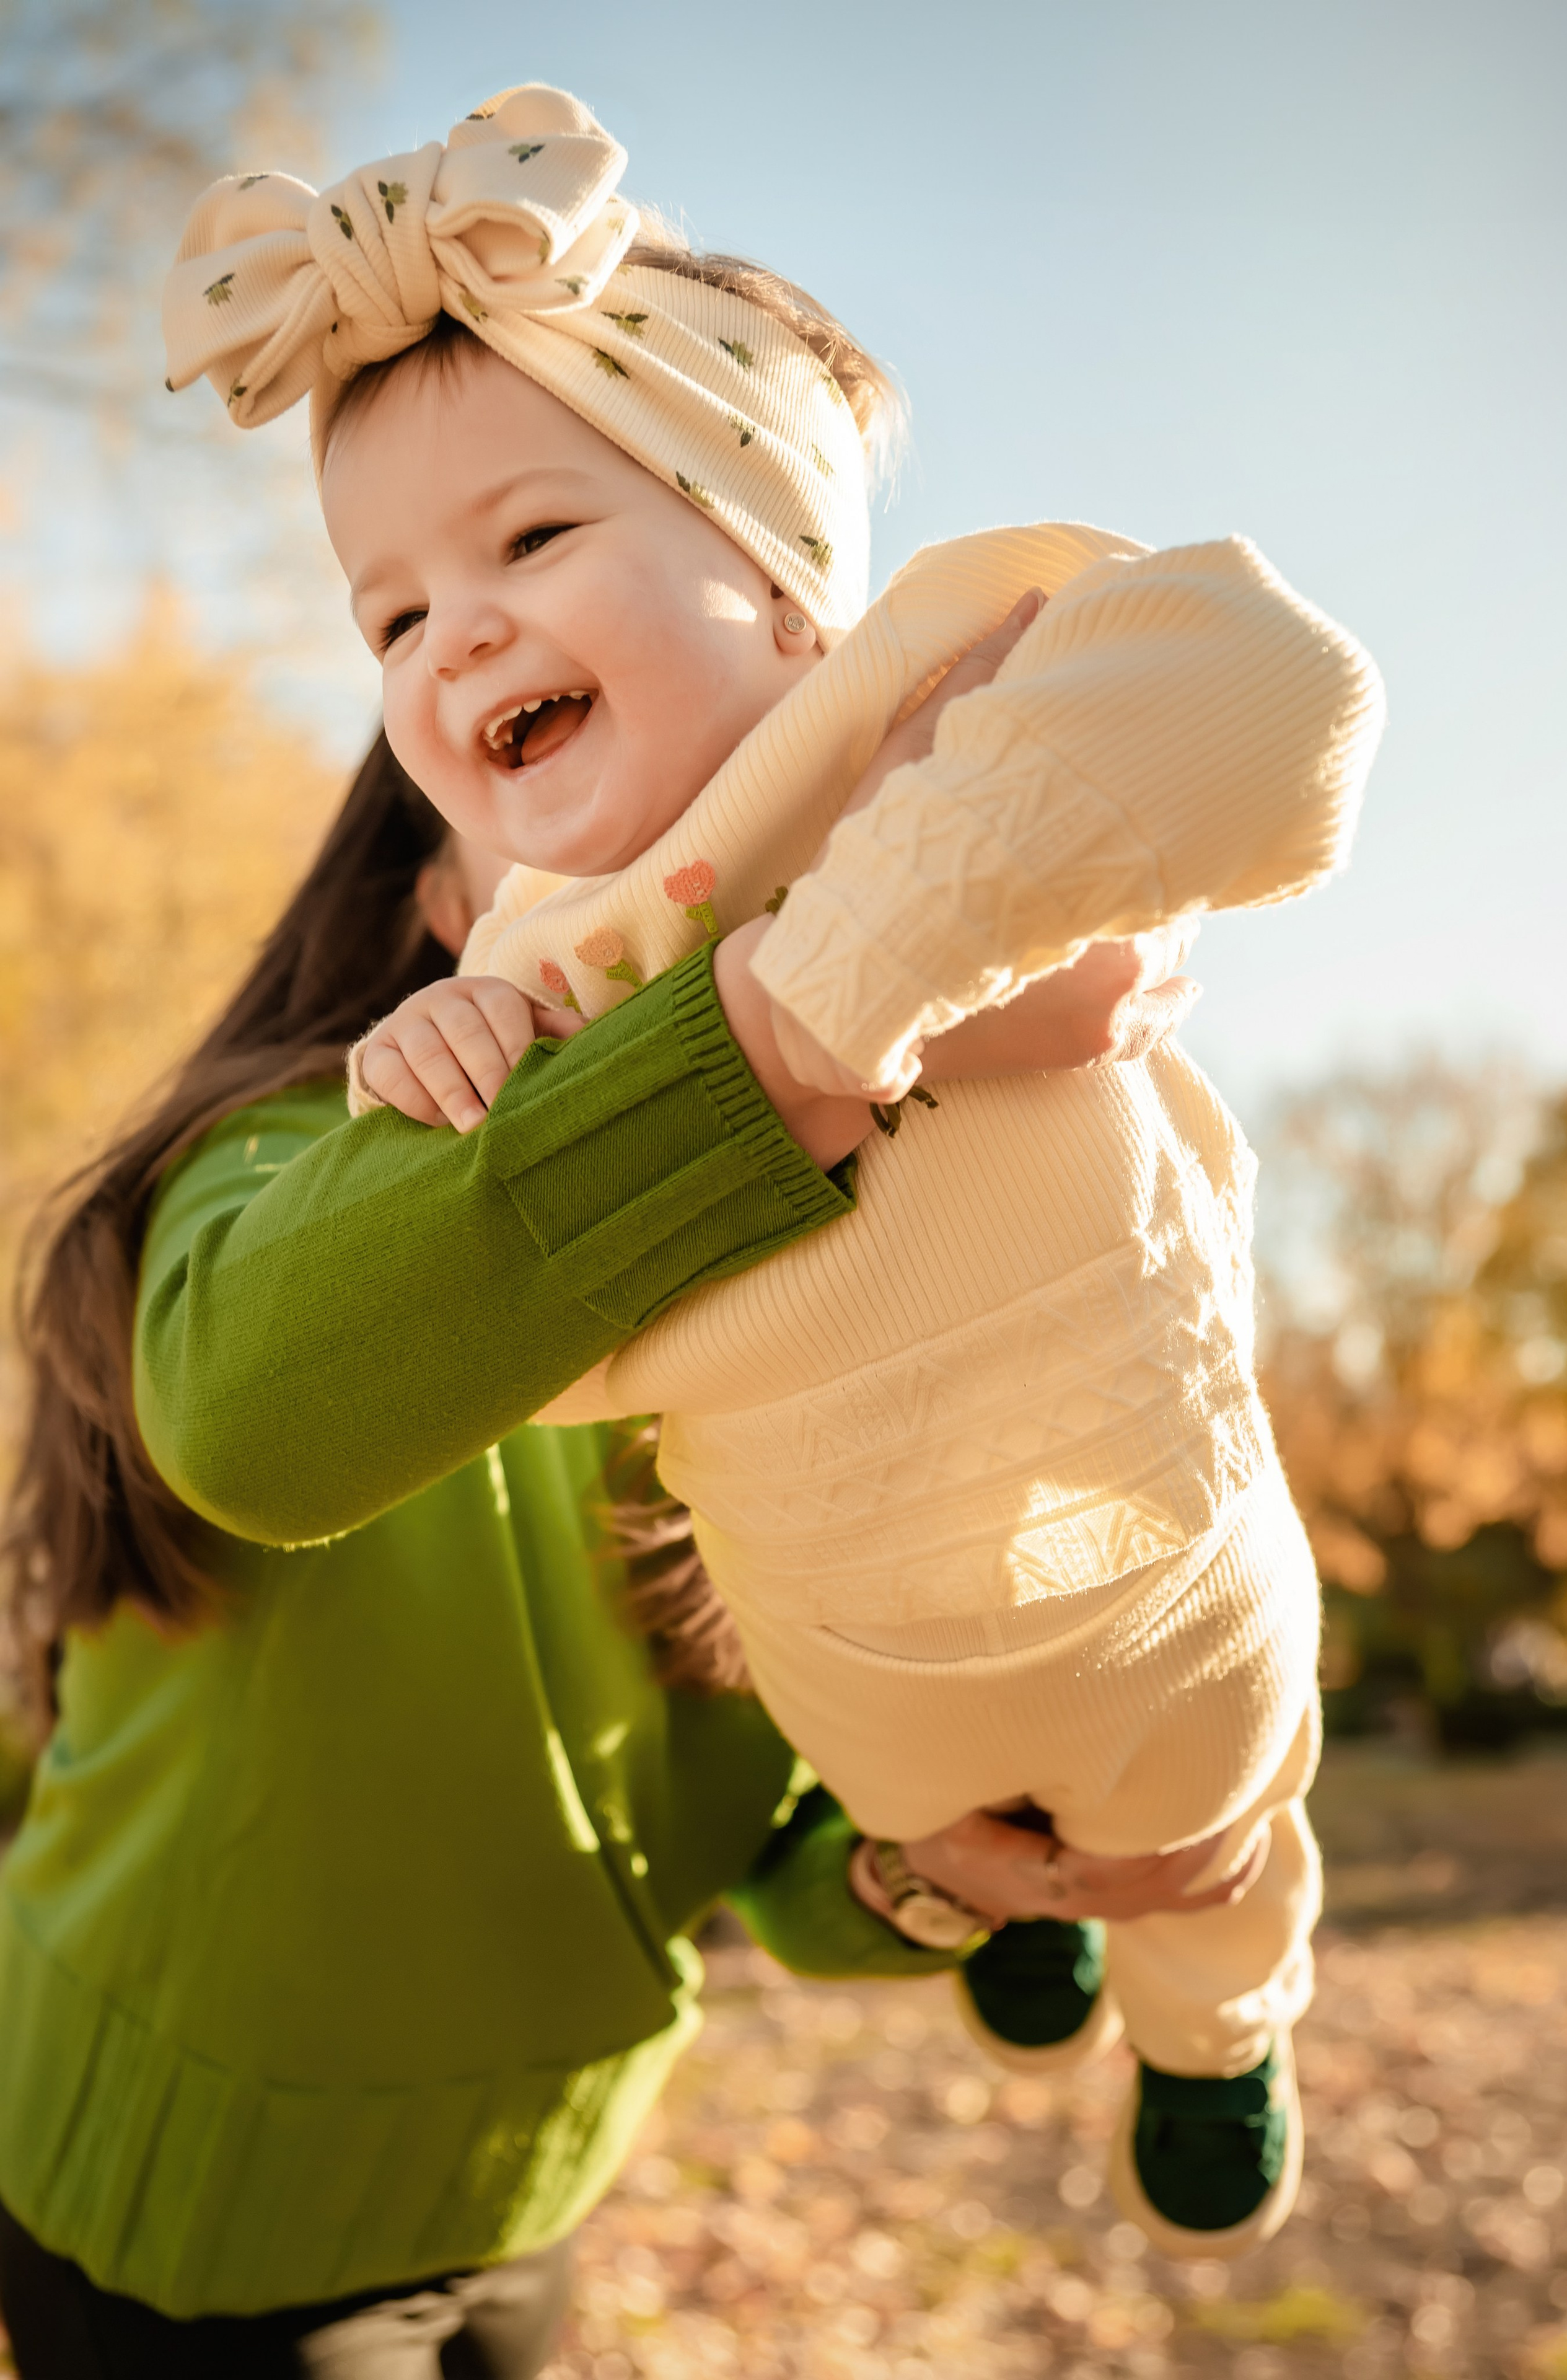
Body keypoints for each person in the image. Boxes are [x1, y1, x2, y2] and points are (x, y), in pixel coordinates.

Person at [159, 80, 1387, 2262]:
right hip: (871, 1675)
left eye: (530, 541)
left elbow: (1270, 688)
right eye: (389, 616)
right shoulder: (537, 964)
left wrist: (897, 935)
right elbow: (457, 1335)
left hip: (1146, 1555)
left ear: (786, 579)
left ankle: (1222, 2036)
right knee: (960, 1803)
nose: (447, 641)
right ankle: (1020, 1930)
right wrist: (502, 1049)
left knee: (1217, 1829)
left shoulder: (925, 701)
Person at [0, 718, 1209, 2376]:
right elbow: (251, 1408)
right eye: (578, 795)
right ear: (437, 896)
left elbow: (769, 1833)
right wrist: (807, 1033)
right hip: (201, 2210)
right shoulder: (287, 1173)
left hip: (533, 2189)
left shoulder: (847, 1302)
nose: (711, 861)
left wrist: (926, 1880)